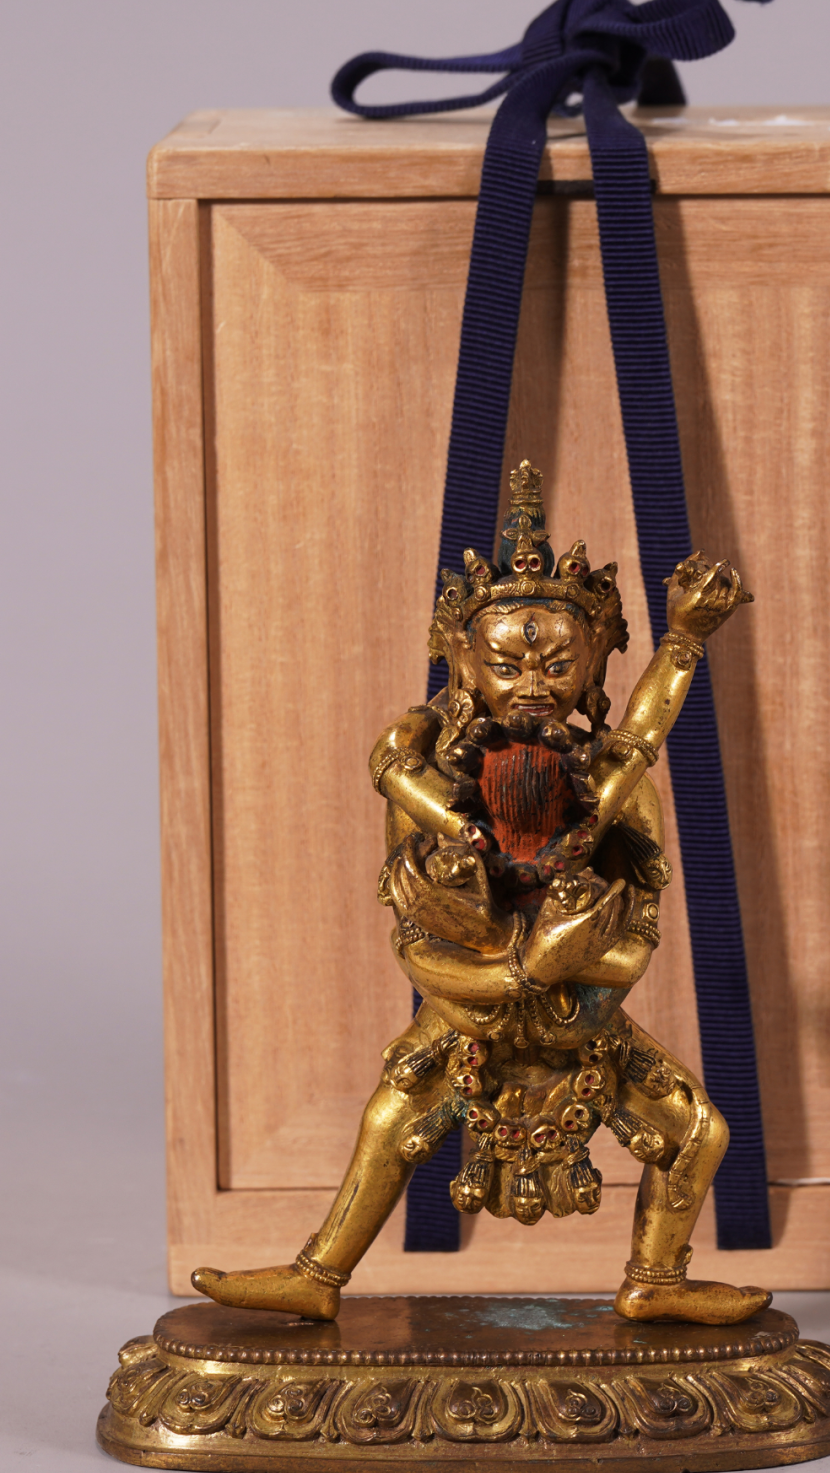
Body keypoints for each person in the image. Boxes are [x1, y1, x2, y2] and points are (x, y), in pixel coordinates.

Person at [193, 461, 770, 1326]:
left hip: (584, 1024)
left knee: (699, 1132)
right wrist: (522, 971)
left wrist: (685, 639)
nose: (533, 686)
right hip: (465, 1016)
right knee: (388, 1124)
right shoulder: (426, 789)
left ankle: (655, 1277)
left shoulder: (615, 788)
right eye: (505, 664)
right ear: (464, 662)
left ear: (594, 663)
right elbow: (414, 947)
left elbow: (634, 944)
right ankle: (318, 1274)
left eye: (559, 664)